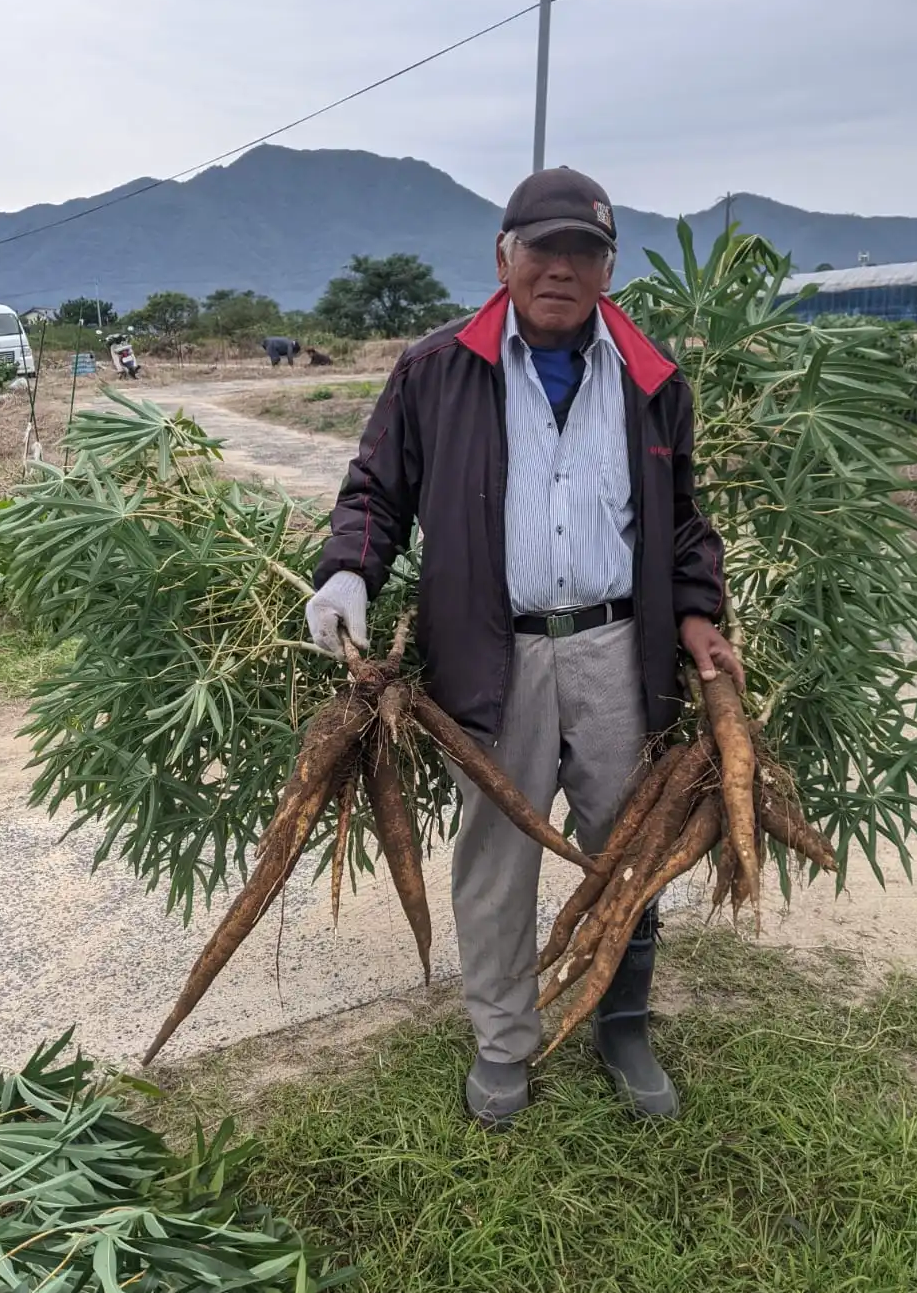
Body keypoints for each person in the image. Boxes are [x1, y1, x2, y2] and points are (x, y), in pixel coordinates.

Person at [305, 167, 742, 1126]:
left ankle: (621, 1025)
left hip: (616, 651)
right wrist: (350, 572)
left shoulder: (650, 375)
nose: (562, 269)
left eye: (584, 252)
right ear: (503, 257)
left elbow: (681, 520)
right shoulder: (436, 371)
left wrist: (701, 610)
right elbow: (375, 491)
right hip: (491, 655)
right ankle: (503, 1042)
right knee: (497, 860)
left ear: (608, 267)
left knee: (628, 848)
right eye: (543, 249)